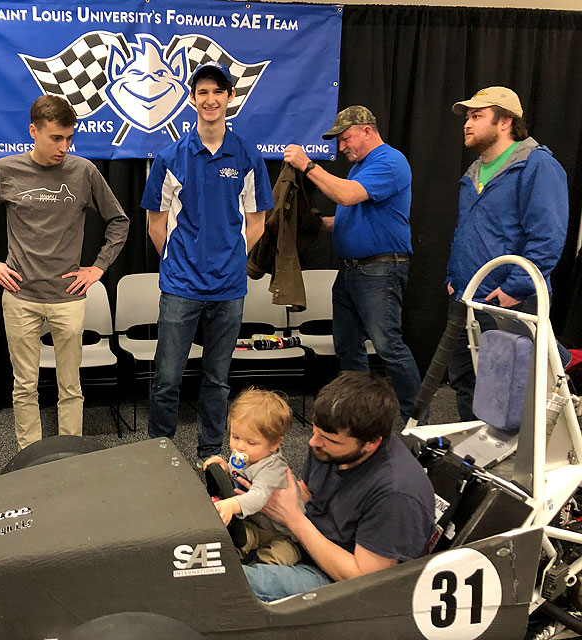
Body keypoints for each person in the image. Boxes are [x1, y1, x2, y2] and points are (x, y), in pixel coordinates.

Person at [0, 95, 129, 450]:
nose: (64, 147)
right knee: (25, 386)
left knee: (71, 387)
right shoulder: (6, 170)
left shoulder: (83, 172)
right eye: (56, 138)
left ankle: (71, 455)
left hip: (67, 298)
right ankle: (30, 457)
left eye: (69, 138)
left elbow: (119, 221)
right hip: (21, 297)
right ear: (33, 131)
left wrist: (98, 268)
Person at [141, 62, 271, 461]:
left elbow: (257, 223)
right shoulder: (170, 158)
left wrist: (229, 260)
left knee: (217, 380)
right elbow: (155, 225)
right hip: (180, 287)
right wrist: (182, 262)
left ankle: (209, 452)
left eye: (218, 91)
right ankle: (159, 453)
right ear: (192, 99)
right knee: (166, 378)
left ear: (230, 97)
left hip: (228, 289)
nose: (210, 99)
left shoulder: (247, 156)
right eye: (202, 92)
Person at [241, 371, 434, 601]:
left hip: (341, 584)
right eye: (315, 431)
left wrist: (294, 519)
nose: (314, 443)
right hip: (305, 541)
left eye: (331, 440)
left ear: (371, 444)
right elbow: (309, 493)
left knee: (233, 584)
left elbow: (366, 580)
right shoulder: (328, 448)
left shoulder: (395, 494)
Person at [283, 107, 420, 422]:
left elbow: (346, 197)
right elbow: (351, 214)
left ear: (368, 130)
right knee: (347, 346)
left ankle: (417, 417)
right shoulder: (360, 167)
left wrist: (306, 165)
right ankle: (358, 415)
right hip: (352, 271)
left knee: (388, 346)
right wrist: (314, 224)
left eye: (346, 138)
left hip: (379, 270)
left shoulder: (390, 161)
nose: (342, 146)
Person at [445, 86, 569, 420]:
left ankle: (516, 467)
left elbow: (547, 236)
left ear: (506, 121)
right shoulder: (474, 172)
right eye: (468, 117)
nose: (467, 124)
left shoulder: (537, 166)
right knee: (467, 384)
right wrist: (453, 279)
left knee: (514, 394)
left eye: (477, 116)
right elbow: (467, 232)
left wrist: (514, 289)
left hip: (508, 302)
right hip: (466, 298)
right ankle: (475, 463)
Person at [202, 387, 302, 565]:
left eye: (251, 442)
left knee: (279, 557)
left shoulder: (272, 468)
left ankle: (257, 569)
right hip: (254, 524)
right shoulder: (246, 455)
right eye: (235, 436)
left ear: (274, 444)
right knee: (226, 542)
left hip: (282, 534)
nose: (240, 446)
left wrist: (232, 504)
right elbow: (238, 476)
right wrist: (225, 468)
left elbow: (258, 497)